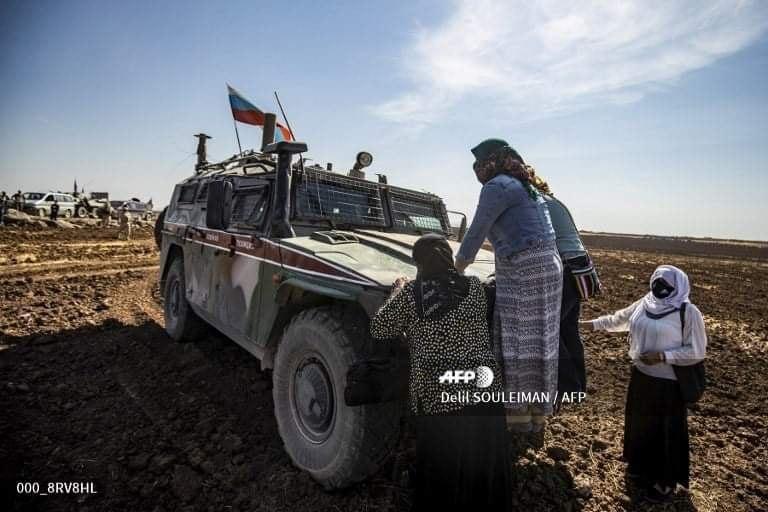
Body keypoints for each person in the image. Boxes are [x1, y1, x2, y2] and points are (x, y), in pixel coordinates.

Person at [370, 234, 510, 510]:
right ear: (448, 257)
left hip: (439, 398)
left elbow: (380, 328)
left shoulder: (411, 294)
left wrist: (398, 290)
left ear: (418, 261)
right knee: (483, 462)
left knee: (442, 471)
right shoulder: (474, 288)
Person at [455, 138, 562, 443]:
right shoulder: (524, 185)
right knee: (541, 342)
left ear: (490, 163)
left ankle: (518, 423)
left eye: (479, 165)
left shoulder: (497, 186)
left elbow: (477, 229)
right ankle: (537, 417)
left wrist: (458, 268)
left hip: (525, 269)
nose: (477, 171)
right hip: (548, 266)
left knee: (518, 342)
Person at [581, 265, 707, 503]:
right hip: (641, 376)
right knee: (640, 425)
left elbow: (697, 350)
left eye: (665, 286)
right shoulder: (646, 303)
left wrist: (663, 356)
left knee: (665, 432)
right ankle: (640, 469)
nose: (659, 289)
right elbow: (618, 319)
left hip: (668, 384)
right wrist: (585, 324)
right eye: (656, 283)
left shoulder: (688, 312)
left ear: (678, 287)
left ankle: (665, 482)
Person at [542, 192, 591, 403]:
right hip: (579, 268)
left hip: (565, 267)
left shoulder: (535, 201)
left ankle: (567, 385)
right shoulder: (554, 201)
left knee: (550, 327)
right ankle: (577, 386)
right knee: (568, 329)